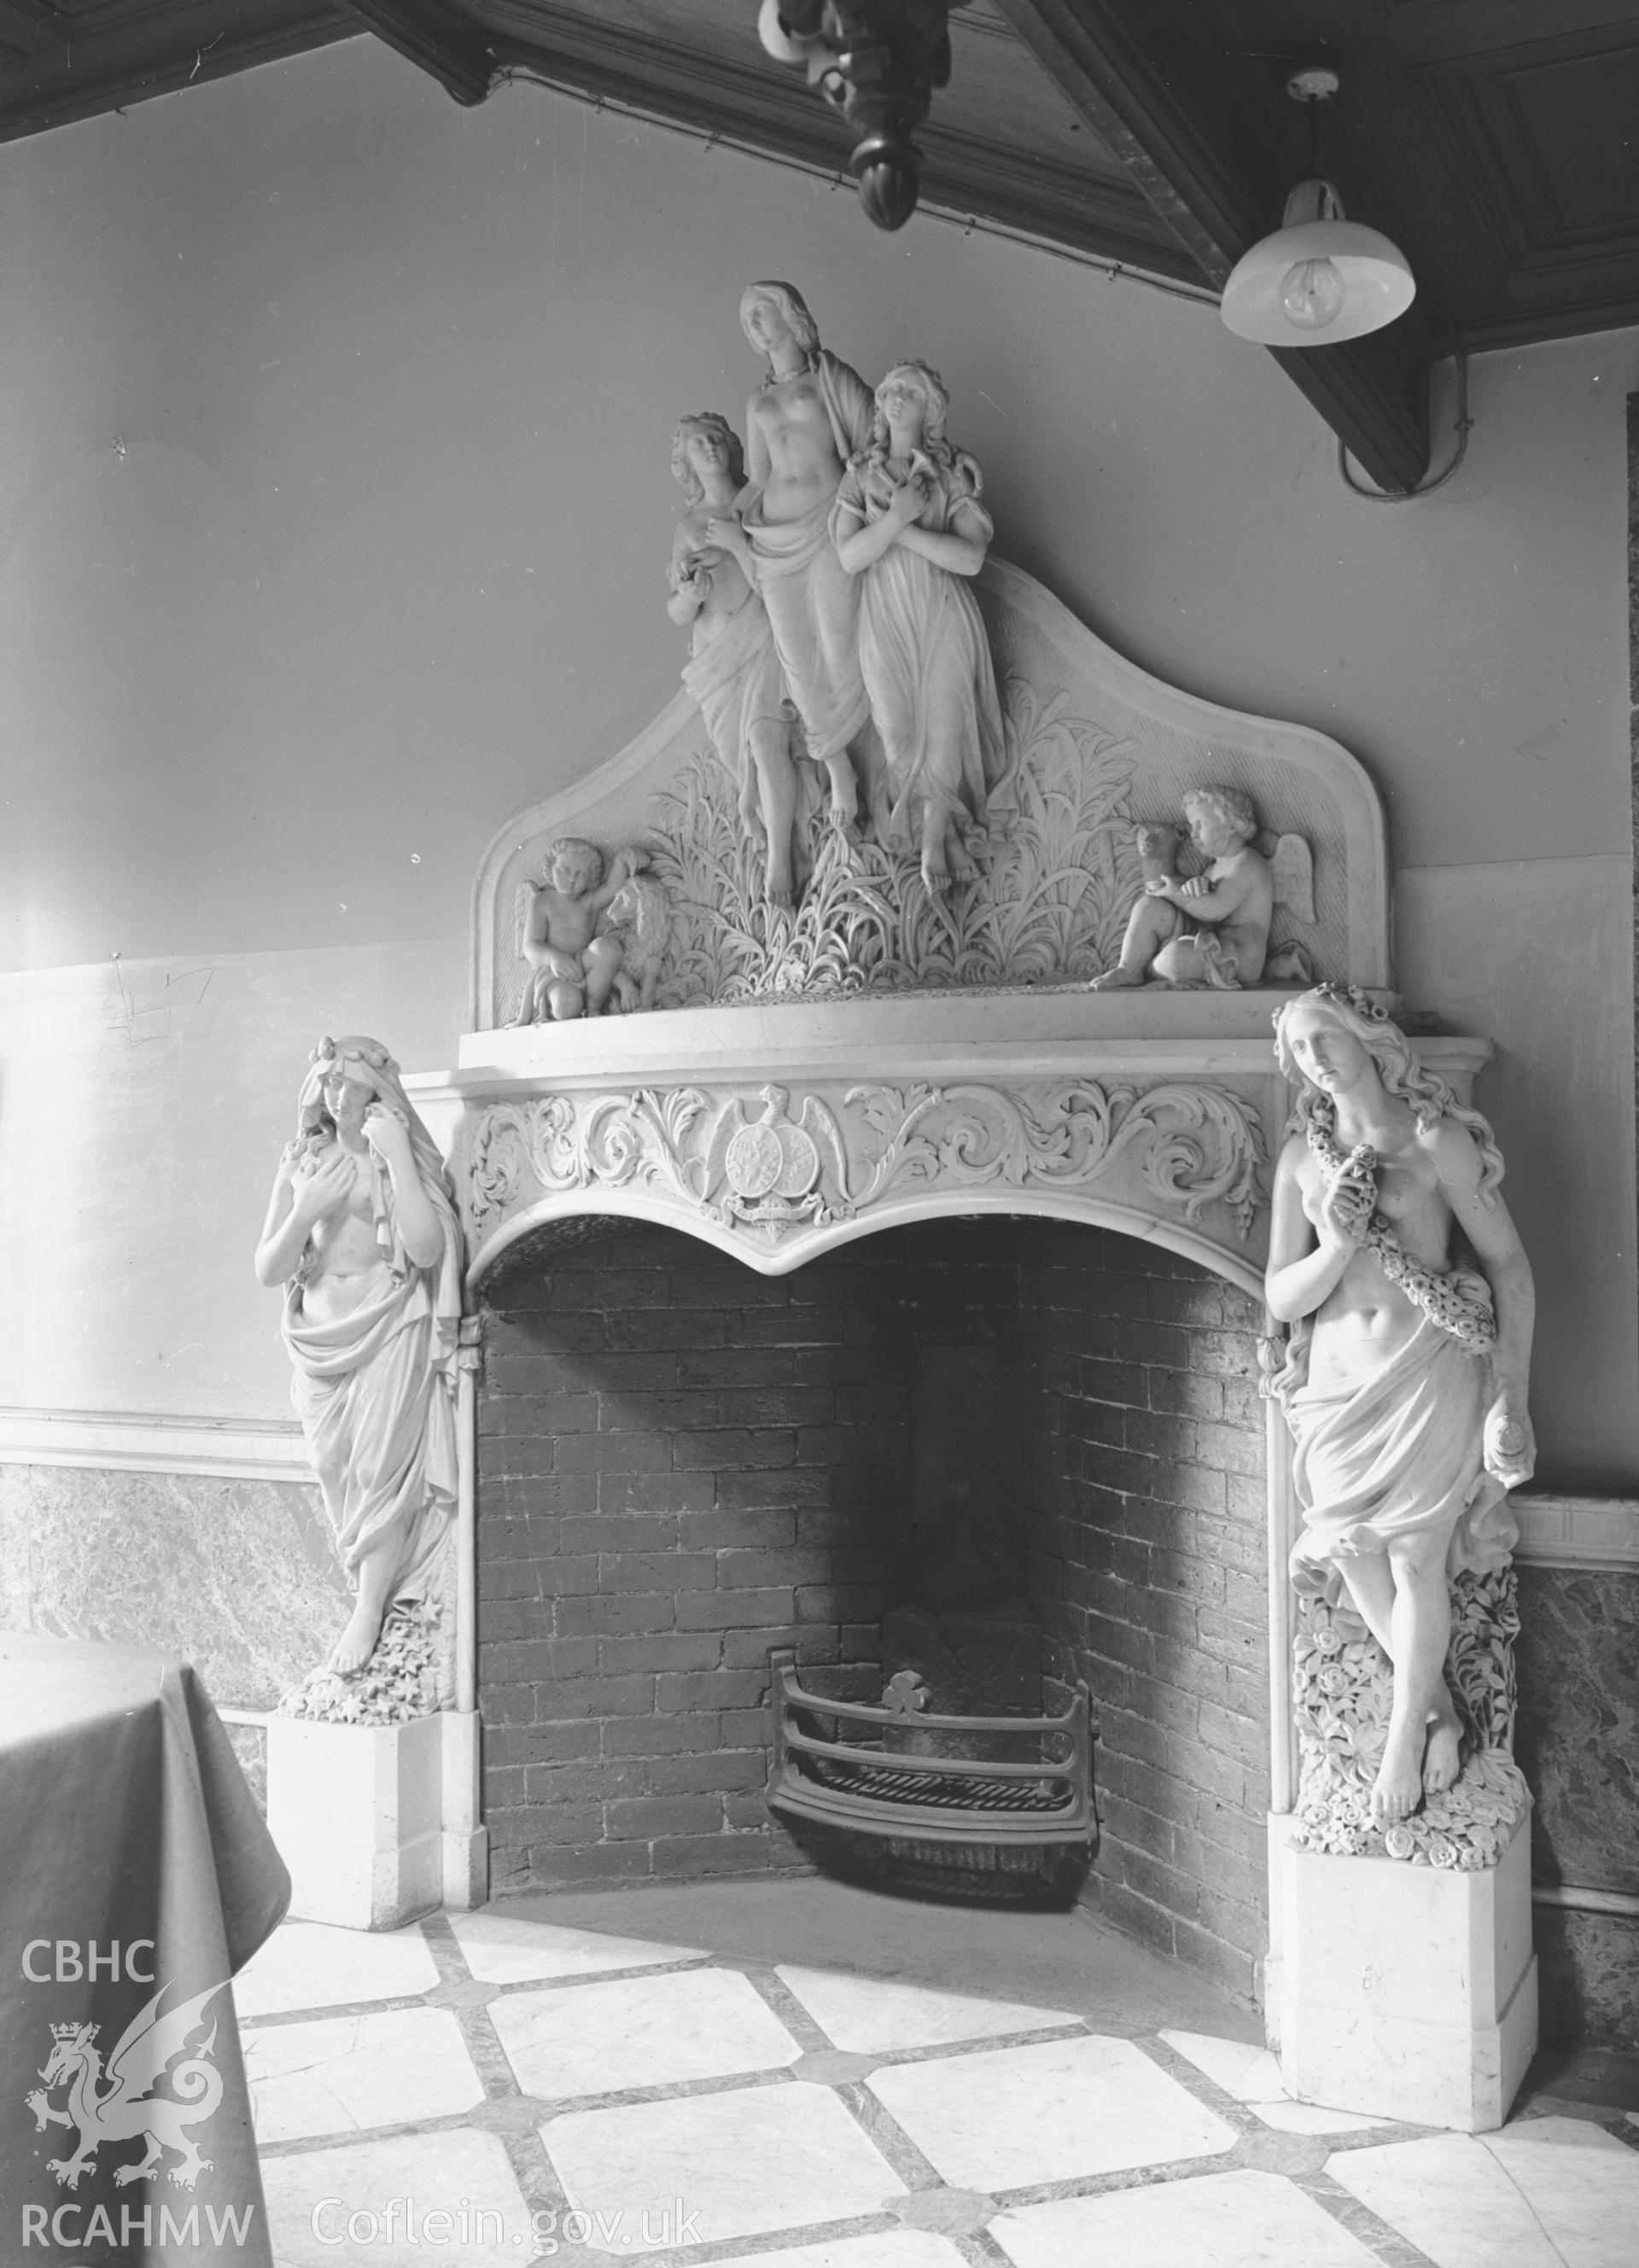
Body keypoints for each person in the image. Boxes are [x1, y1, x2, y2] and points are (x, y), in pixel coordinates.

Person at [1264, 986, 1535, 1824]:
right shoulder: (1301, 1162)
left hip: (1428, 1368)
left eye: (1324, 1039)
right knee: (1349, 1548)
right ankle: (1442, 1714)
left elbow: (1511, 1269)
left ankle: (1399, 1751)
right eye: (1299, 1050)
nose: (1314, 1060)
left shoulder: (1433, 1140)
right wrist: (1339, 1243)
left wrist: (1511, 1396)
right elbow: (1280, 1295)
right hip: (1338, 1383)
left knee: (1417, 1560)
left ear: (1367, 1038)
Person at [254, 1036, 463, 1677]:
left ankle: (369, 1610)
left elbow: (427, 1249)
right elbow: (269, 1267)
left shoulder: (391, 1156)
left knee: (379, 1468)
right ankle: (366, 1594)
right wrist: (305, 1210)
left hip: (387, 1328)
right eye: (331, 1084)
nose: (340, 1098)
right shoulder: (303, 1162)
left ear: (379, 1092)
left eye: (353, 1084)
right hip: (320, 1342)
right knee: (334, 1464)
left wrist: (398, 1156)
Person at [831, 360, 1006, 894]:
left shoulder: (950, 474)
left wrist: (901, 529)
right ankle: (931, 829)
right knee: (897, 729)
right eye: (892, 390)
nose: (898, 397)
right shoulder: (861, 476)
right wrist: (893, 518)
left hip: (942, 614)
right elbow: (849, 557)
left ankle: (932, 842)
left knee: (945, 727)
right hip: (884, 616)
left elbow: (971, 559)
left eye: (911, 391)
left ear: (931, 408)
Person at [709, 282, 876, 830]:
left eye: (761, 312)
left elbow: (874, 441)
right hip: (773, 535)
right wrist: (717, 524)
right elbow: (758, 478)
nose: (754, 326)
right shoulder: (758, 400)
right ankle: (838, 766)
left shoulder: (832, 378)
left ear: (791, 315)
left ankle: (861, 748)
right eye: (745, 320)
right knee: (796, 655)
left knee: (837, 636)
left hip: (830, 520)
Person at [668, 412, 803, 906]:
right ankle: (779, 839)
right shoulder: (687, 528)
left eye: (715, 439)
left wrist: (737, 544)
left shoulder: (761, 509)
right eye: (696, 444)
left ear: (731, 446)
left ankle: (781, 863)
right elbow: (679, 612)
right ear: (685, 464)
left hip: (763, 639)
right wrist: (689, 591)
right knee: (739, 765)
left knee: (768, 745)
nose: (708, 448)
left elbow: (782, 583)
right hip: (715, 662)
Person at [1091, 785, 1274, 989]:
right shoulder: (1213, 868)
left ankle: (1152, 967)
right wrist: (1192, 887)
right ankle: (1130, 968)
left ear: (1231, 825)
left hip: (1237, 959)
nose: (1194, 834)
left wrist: (1176, 893)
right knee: (1148, 905)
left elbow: (1214, 911)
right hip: (1209, 942)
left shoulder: (1248, 862)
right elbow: (1200, 915)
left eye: (1201, 825)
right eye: (1191, 825)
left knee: (1175, 957)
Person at [512, 838, 639, 1023]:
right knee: (567, 1004)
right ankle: (570, 1005)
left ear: (591, 879)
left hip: (584, 964)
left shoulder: (589, 902)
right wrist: (554, 958)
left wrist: (621, 860)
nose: (571, 879)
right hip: (555, 973)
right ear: (551, 868)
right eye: (564, 870)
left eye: (580, 874)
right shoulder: (542, 901)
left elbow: (612, 886)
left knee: (608, 947)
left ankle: (593, 1008)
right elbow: (530, 946)